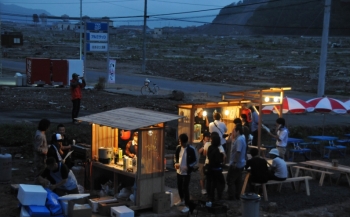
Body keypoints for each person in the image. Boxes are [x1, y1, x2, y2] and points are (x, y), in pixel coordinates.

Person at [174, 134, 197, 213]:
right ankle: (182, 200)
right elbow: (175, 157)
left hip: (187, 172)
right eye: (179, 141)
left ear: (185, 142)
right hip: (179, 171)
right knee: (179, 186)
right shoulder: (178, 148)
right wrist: (176, 163)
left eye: (180, 141)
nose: (180, 142)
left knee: (185, 187)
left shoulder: (191, 149)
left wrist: (188, 166)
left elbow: (195, 161)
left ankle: (187, 203)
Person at [227, 124, 247, 200]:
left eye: (233, 131)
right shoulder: (241, 138)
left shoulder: (239, 140)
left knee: (231, 180)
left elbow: (238, 152)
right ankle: (237, 195)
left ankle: (232, 196)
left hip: (237, 163)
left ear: (238, 131)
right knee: (238, 180)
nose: (233, 133)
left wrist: (234, 162)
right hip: (240, 163)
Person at [206, 133, 225, 206]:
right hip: (217, 169)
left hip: (210, 168)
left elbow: (208, 156)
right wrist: (221, 157)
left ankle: (211, 197)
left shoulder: (210, 147)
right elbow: (218, 160)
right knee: (220, 183)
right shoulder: (217, 150)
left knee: (211, 183)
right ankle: (219, 197)